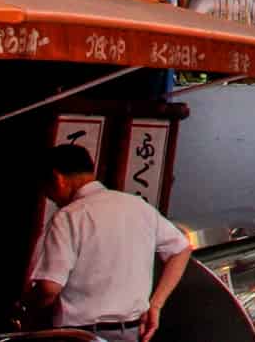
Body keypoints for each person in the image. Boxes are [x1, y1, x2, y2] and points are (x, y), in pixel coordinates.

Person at [24, 144, 194, 342]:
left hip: (80, 336)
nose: (51, 198)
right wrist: (156, 305)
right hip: (134, 332)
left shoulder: (69, 217)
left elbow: (49, 289)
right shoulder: (137, 206)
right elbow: (181, 249)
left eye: (47, 192)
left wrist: (27, 307)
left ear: (57, 179)